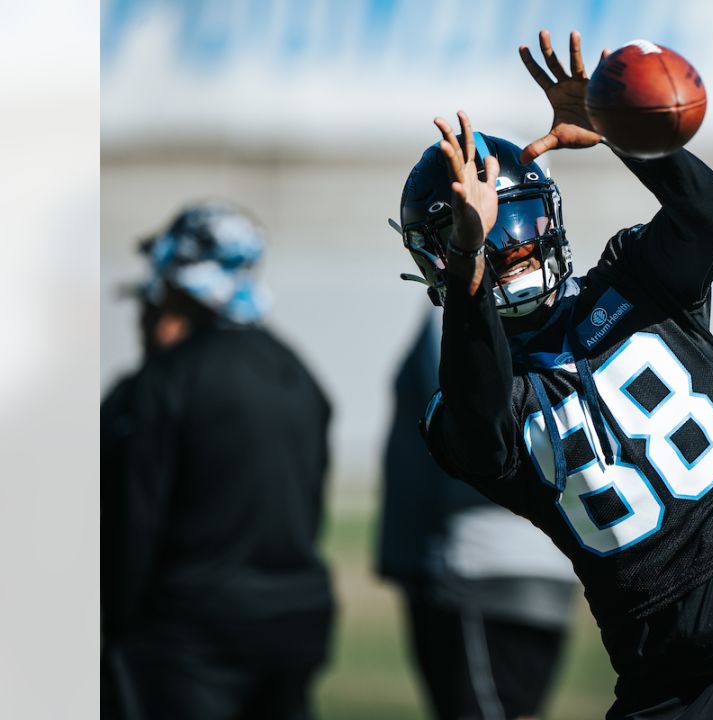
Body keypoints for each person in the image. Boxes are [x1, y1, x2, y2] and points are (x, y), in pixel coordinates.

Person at [398, 30, 713, 719]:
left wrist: (622, 132)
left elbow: (708, 216)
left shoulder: (634, 281)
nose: (511, 246)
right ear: (442, 260)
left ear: (550, 214)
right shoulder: (461, 406)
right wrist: (469, 263)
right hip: (673, 675)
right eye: (488, 233)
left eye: (517, 222)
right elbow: (481, 409)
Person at [101, 202, 335, 720]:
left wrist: (113, 626)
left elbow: (131, 526)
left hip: (191, 638)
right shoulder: (296, 374)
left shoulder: (161, 386)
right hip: (294, 623)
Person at [376, 310, 578, 720]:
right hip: (549, 558)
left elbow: (469, 426)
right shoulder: (559, 304)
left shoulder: (460, 309)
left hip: (479, 566)